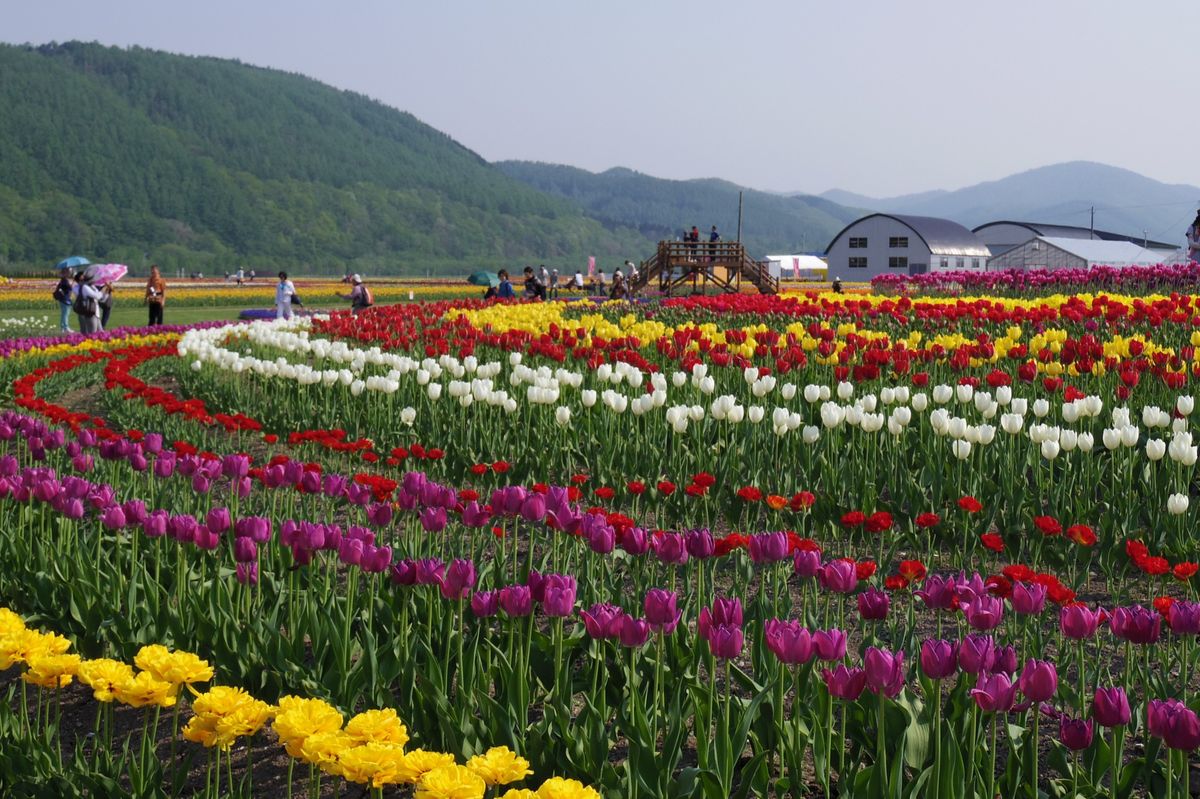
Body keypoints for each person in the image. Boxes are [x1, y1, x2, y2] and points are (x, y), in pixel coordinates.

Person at [53, 267, 73, 333]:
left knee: (64, 313)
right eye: (69, 272)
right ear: (66, 273)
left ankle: (63, 327)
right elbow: (68, 289)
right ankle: (66, 327)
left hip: (63, 299)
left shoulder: (63, 280)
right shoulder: (64, 281)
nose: (70, 273)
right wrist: (70, 287)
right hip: (65, 299)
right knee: (65, 314)